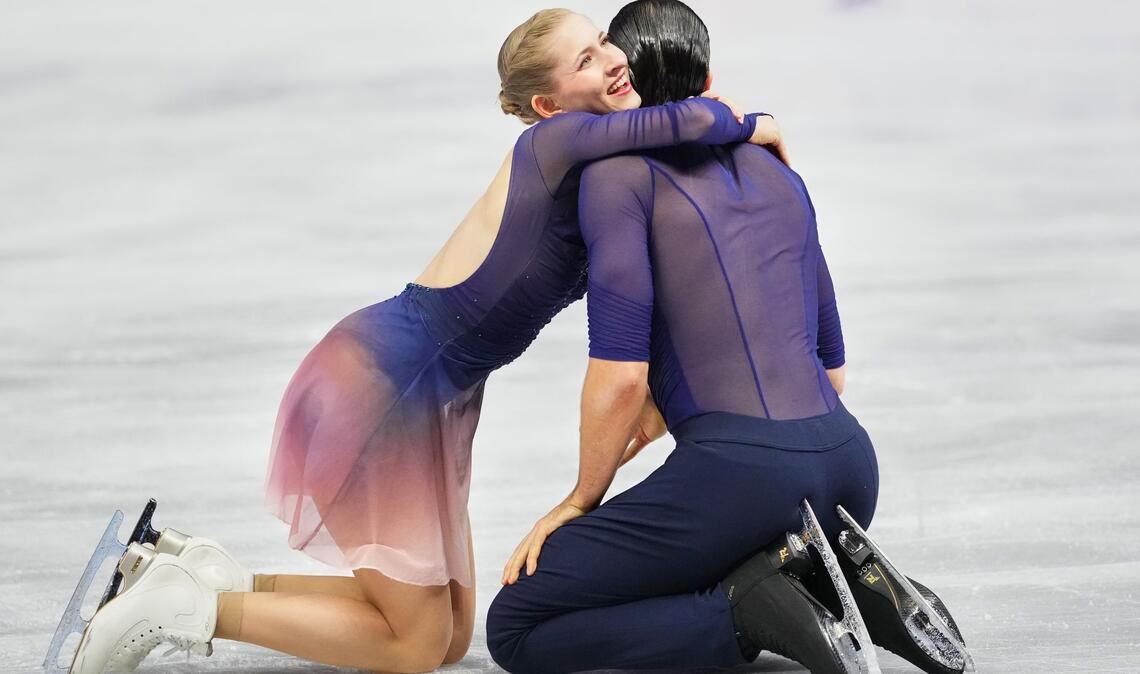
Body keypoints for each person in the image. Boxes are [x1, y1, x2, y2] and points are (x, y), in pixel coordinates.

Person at [63, 8, 787, 674]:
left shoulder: (599, 174)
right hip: (387, 385)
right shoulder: (557, 141)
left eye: (602, 45)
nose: (610, 61)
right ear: (548, 103)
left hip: (432, 396)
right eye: (586, 61)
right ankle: (192, 610)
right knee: (411, 648)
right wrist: (753, 123)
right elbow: (681, 125)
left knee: (446, 636)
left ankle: (215, 579)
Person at [488, 2, 967, 673]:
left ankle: (747, 612)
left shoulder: (615, 177)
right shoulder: (777, 165)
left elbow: (621, 374)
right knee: (711, 539)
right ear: (709, 75)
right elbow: (831, 373)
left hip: (743, 479)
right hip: (850, 468)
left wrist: (578, 499)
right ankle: (833, 581)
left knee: (520, 622)